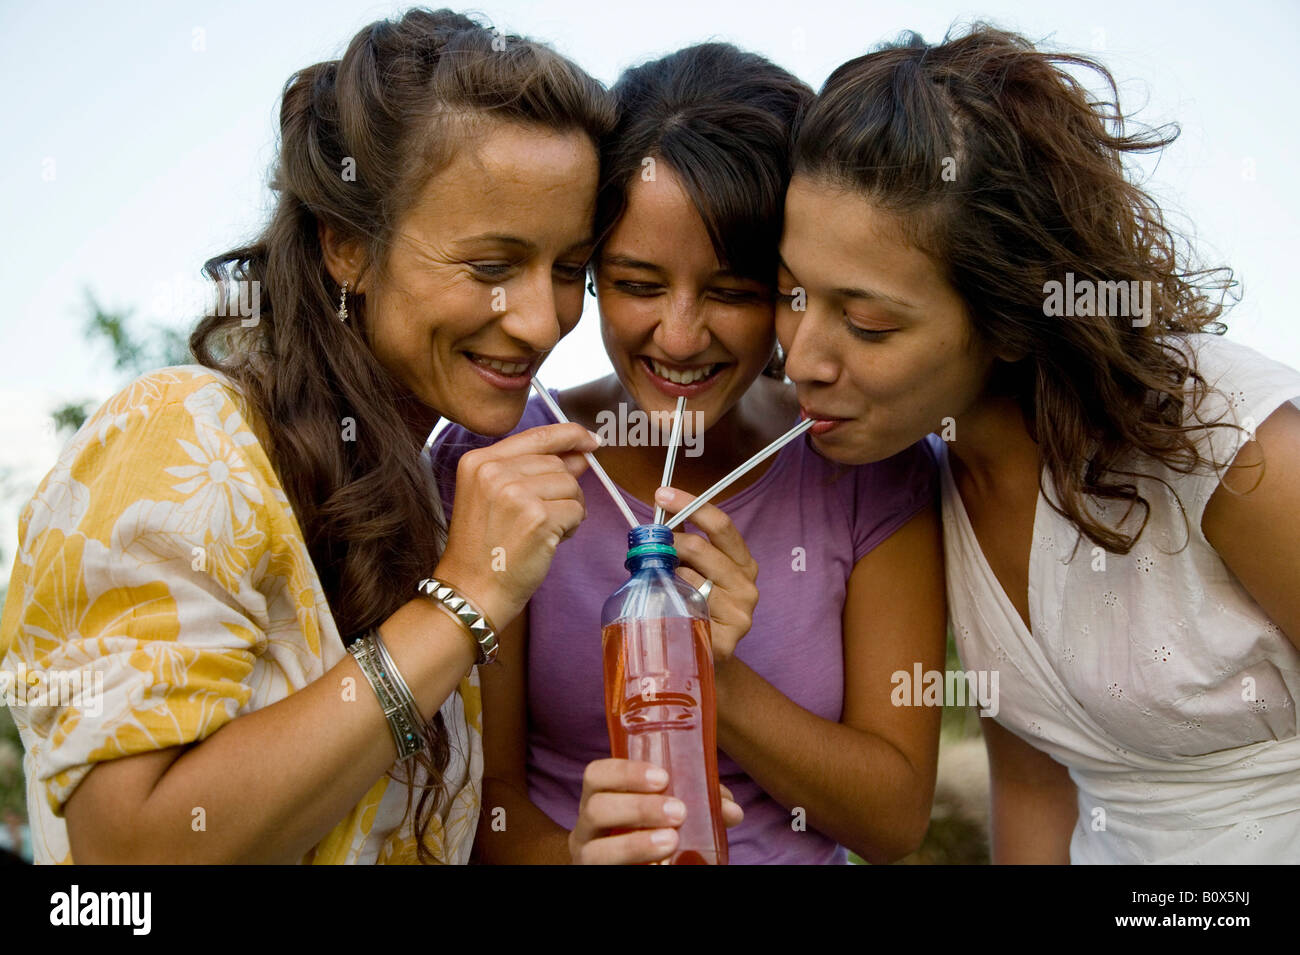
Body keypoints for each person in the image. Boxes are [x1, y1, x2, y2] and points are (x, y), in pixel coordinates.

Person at [0, 8, 627, 864]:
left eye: (567, 271)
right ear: (347, 246)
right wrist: (462, 605)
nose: (539, 319)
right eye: (490, 267)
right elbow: (130, 854)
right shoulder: (181, 435)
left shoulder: (433, 496)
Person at [776, 24, 1300, 863]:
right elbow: (1035, 785)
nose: (800, 359)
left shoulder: (1228, 442)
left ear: (1012, 318)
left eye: (867, 323)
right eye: (790, 293)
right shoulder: (926, 487)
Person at [434, 43, 947, 865]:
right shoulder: (503, 458)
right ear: (591, 269)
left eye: (732, 292)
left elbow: (892, 820)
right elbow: (483, 800)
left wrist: (701, 668)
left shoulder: (871, 467)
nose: (677, 335)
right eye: (637, 283)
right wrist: (576, 856)